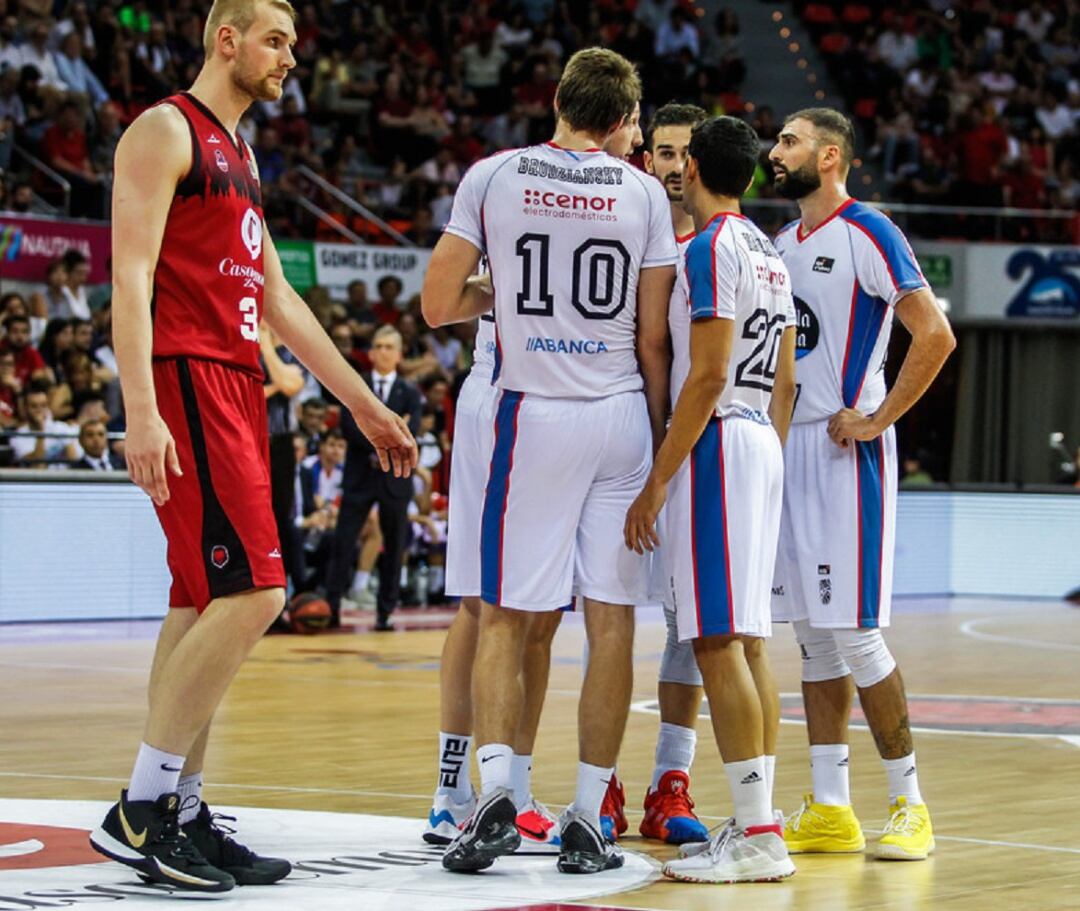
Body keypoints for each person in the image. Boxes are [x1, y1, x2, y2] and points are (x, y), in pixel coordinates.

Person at [87, 0, 416, 894]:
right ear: (225, 40)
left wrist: (363, 405)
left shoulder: (243, 154)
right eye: (276, 41)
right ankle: (142, 806)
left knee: (201, 598)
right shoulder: (164, 129)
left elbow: (278, 300)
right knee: (261, 589)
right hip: (187, 377)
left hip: (234, 379)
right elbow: (129, 276)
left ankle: (180, 806)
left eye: (294, 46)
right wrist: (140, 409)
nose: (289, 59)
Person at [423, 47, 676, 875]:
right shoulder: (643, 192)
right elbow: (652, 335)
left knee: (504, 612)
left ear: (559, 101)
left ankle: (494, 796)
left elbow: (435, 304)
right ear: (620, 121)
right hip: (622, 417)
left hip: (536, 414)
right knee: (611, 622)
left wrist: (518, 298)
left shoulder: (493, 175)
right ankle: (591, 816)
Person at [767, 107, 955, 861]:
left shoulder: (870, 231)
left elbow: (935, 333)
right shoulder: (780, 243)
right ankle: (831, 806)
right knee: (813, 639)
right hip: (792, 450)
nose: (774, 152)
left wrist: (877, 419)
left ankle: (911, 802)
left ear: (831, 155)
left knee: (857, 632)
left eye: (789, 141)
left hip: (849, 450)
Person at [626, 114, 798, 883]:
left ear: (690, 166)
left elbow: (705, 371)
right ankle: (760, 819)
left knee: (716, 642)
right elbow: (786, 377)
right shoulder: (770, 249)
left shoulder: (707, 248)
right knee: (748, 641)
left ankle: (759, 832)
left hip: (720, 438)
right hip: (762, 434)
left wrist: (659, 477)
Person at [627, 101, 711, 848]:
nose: (675, 164)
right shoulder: (622, 232)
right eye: (662, 151)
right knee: (609, 615)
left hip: (691, 455)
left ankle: (669, 780)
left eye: (686, 152)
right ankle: (602, 780)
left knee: (689, 626)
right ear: (643, 158)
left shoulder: (724, 246)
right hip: (625, 447)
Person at [325, 325, 422, 631]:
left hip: (396, 476)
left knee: (394, 544)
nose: (382, 351)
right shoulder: (359, 385)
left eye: (388, 347)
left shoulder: (410, 392)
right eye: (377, 346)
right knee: (343, 541)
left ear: (399, 353)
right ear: (370, 352)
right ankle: (332, 605)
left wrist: (381, 433)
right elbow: (348, 427)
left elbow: (413, 430)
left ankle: (386, 611)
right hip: (360, 475)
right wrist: (388, 435)